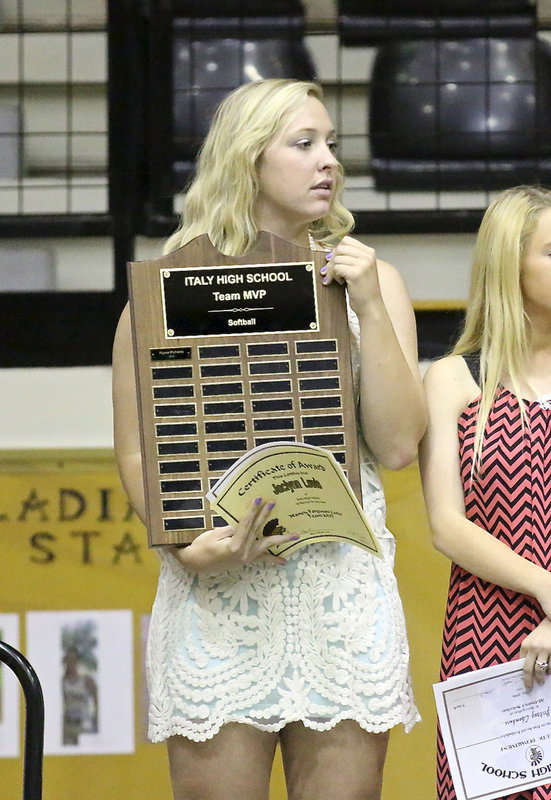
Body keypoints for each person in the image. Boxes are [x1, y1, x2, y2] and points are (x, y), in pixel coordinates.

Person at [113, 78, 426, 800]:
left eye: (333, 146)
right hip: (218, 599)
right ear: (248, 159)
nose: (329, 163)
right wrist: (182, 543)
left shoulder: (373, 281)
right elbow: (137, 449)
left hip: (339, 597)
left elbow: (400, 445)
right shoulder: (169, 288)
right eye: (304, 144)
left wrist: (371, 305)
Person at [419, 185, 551, 800]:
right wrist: (548, 590)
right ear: (510, 265)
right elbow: (446, 525)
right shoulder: (452, 378)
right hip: (489, 635)